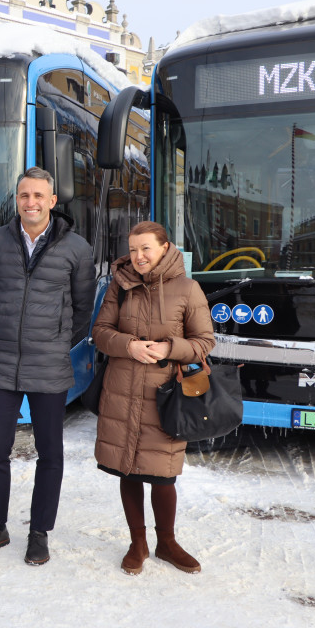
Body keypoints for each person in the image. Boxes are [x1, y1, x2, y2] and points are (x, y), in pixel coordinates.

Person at [0, 166, 94, 566]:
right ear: (17, 200)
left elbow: (82, 310)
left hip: (49, 364)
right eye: (24, 195)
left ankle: (39, 532)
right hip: (2, 362)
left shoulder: (77, 248)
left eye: (39, 196)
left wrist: (56, 341)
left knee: (50, 454)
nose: (31, 203)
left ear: (53, 201)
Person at [92, 221, 215, 575]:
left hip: (166, 394)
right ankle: (138, 543)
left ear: (165, 247)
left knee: (163, 474)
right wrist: (128, 345)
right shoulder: (120, 285)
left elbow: (205, 342)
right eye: (132, 249)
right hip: (122, 390)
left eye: (146, 248)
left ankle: (167, 543)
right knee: (126, 469)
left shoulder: (188, 289)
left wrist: (168, 347)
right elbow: (100, 333)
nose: (138, 257)